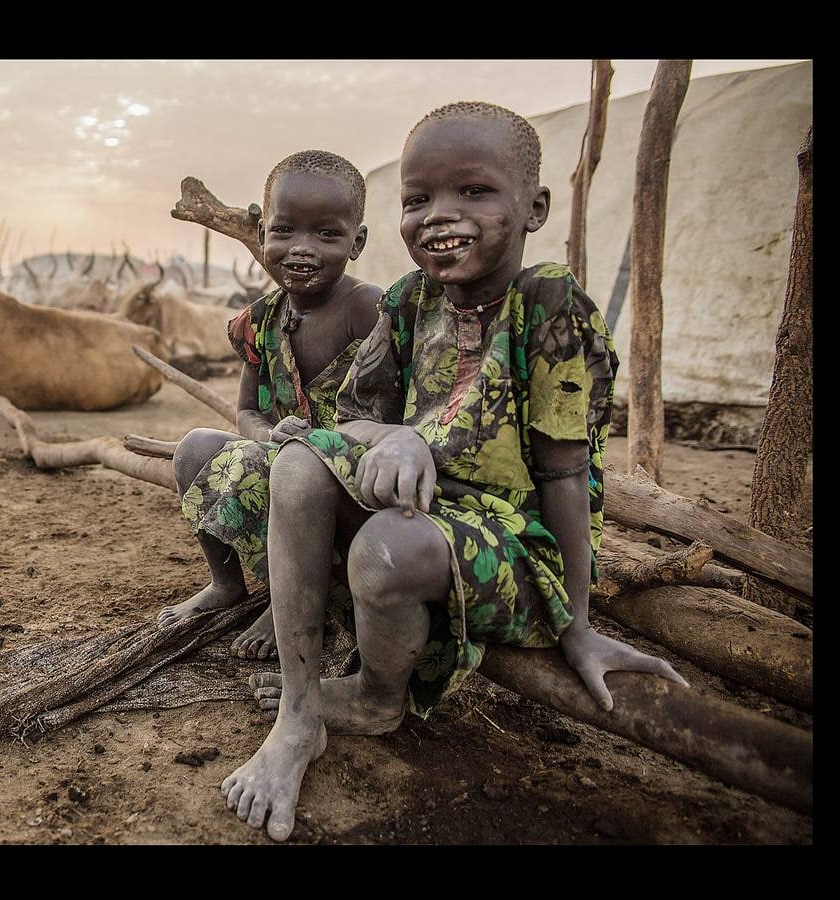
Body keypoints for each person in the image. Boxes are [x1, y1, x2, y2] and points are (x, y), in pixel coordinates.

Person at [221, 102, 688, 842]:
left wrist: (578, 628)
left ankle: (377, 697)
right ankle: (299, 715)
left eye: (473, 192)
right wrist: (399, 439)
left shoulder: (547, 304)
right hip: (422, 511)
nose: (440, 215)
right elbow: (348, 422)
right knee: (297, 463)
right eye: (418, 199)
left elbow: (565, 479)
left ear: (532, 208)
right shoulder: (407, 303)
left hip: (515, 544)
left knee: (387, 548)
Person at [159, 150, 383, 661]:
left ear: (358, 242)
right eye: (285, 231)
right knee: (196, 447)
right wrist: (268, 436)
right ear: (262, 234)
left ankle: (300, 597)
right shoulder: (261, 320)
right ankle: (227, 584)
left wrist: (316, 450)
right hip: (284, 456)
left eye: (327, 235)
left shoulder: (366, 309)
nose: (302, 249)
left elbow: (391, 415)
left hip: (351, 479)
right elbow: (246, 412)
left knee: (299, 476)